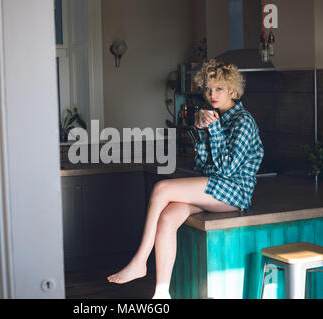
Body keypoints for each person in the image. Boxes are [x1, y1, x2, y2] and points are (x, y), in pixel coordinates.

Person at [107, 59, 265, 299]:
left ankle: (140, 261)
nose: (212, 94)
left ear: (232, 90)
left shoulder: (242, 121)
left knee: (161, 189)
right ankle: (161, 292)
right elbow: (202, 167)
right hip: (216, 189)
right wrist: (201, 132)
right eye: (208, 89)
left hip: (235, 192)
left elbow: (226, 170)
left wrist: (212, 131)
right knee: (169, 216)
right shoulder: (217, 118)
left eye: (219, 88)